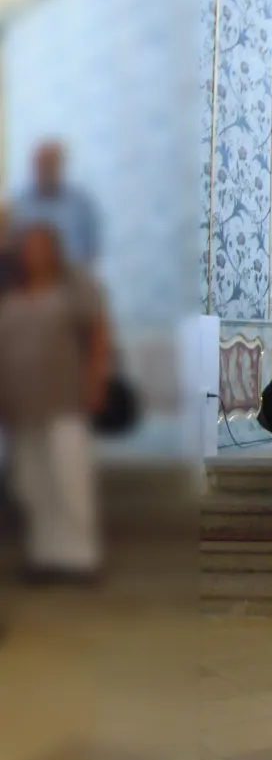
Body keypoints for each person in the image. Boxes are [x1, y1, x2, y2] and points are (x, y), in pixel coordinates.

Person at [0, 224, 111, 580]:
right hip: (20, 406)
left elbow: (98, 335)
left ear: (54, 251)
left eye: (41, 246)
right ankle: (44, 555)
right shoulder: (9, 293)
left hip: (65, 400)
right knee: (31, 484)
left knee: (69, 480)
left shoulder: (73, 289)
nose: (34, 254)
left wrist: (96, 382)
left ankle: (79, 558)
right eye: (27, 247)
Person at [12, 141, 99, 265]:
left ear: (60, 166)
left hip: (73, 272)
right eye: (42, 165)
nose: (45, 171)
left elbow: (92, 248)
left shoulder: (81, 204)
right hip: (29, 274)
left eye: (50, 165)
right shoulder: (19, 206)